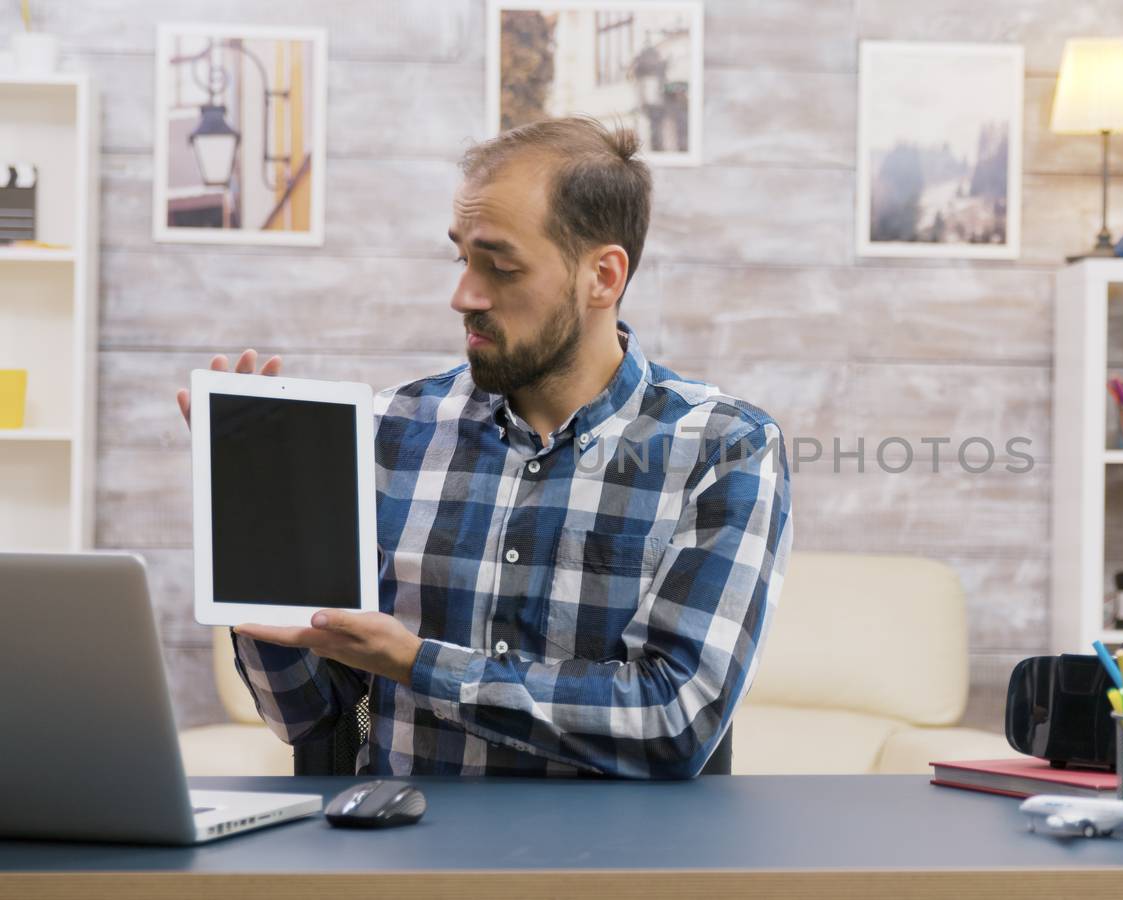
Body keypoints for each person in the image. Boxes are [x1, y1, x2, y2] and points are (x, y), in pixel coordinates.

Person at [176, 118, 793, 779]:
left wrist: (416, 664)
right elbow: (310, 719)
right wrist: (255, 537)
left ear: (603, 277)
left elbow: (675, 719)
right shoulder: (387, 429)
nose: (463, 295)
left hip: (607, 873)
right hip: (400, 861)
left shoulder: (723, 449)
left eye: (499, 266)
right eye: (462, 258)